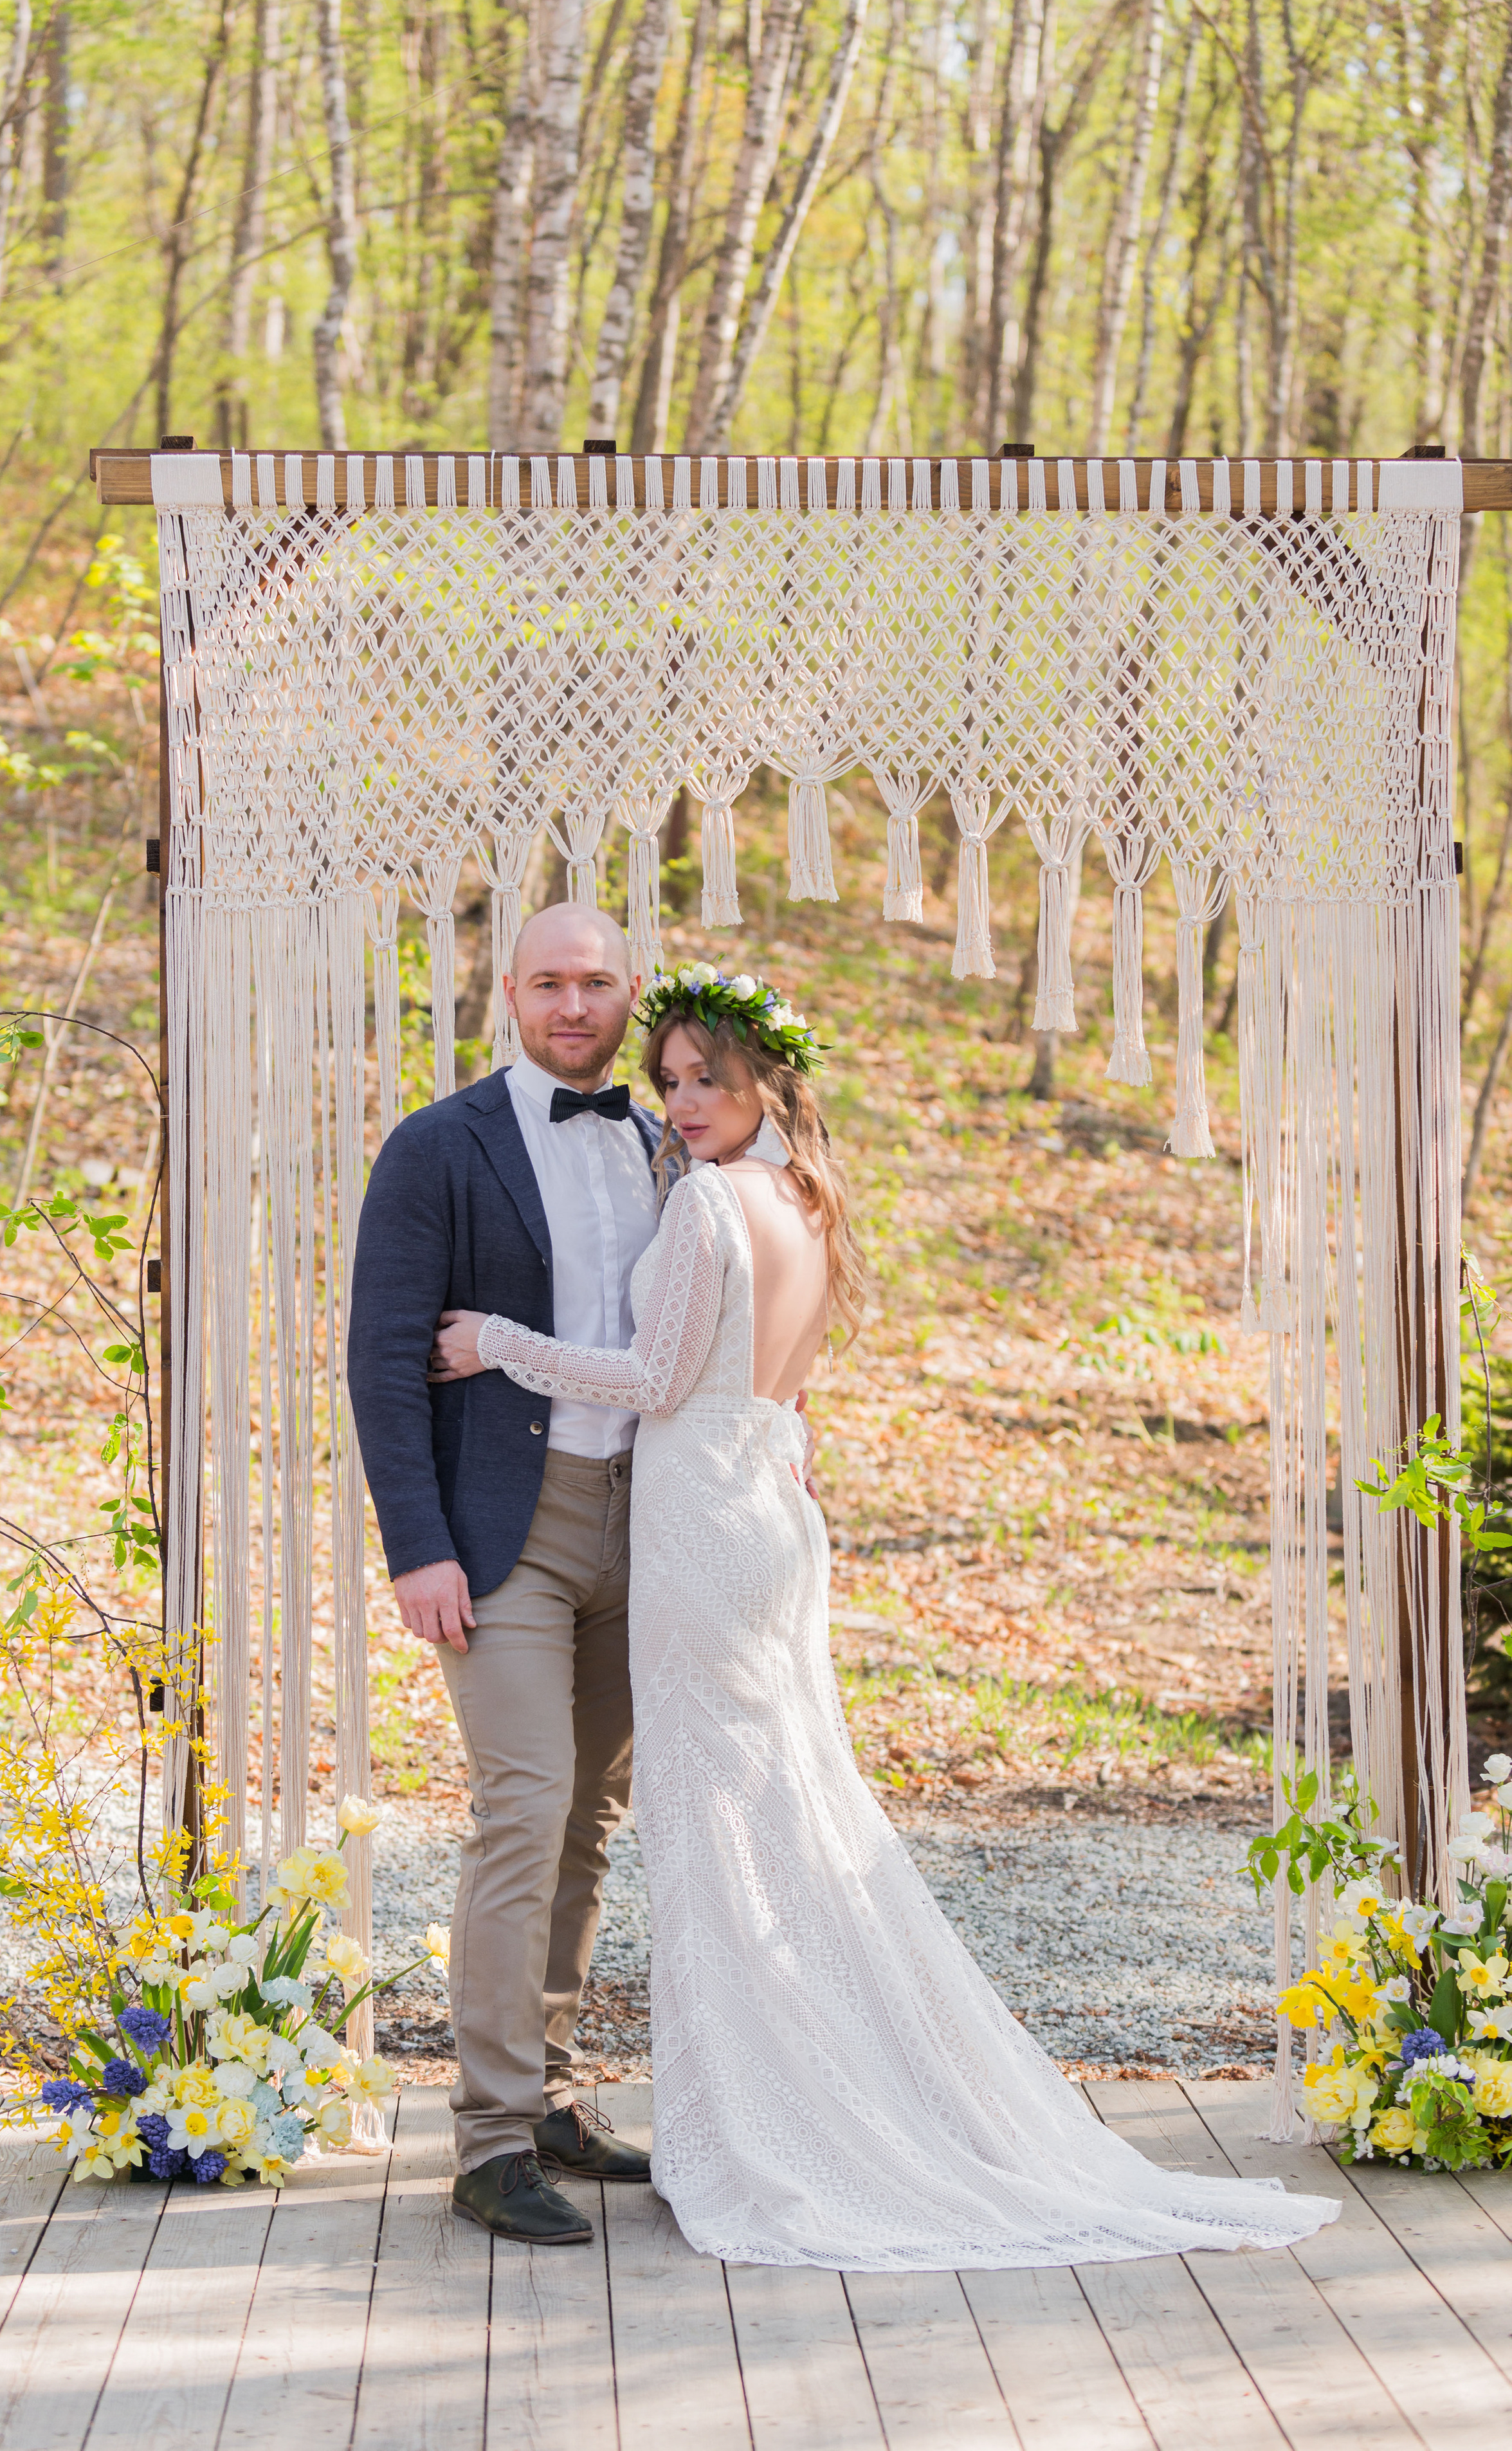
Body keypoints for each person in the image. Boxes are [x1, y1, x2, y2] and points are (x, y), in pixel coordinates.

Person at [429, 961, 1342, 2272]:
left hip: (700, 1526)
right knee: (778, 1810)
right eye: (672, 1078)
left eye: (709, 1081)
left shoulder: (706, 1207)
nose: (681, 1102)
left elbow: (649, 1377)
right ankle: (812, 2085)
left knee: (721, 1835)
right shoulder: (805, 1197)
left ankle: (774, 2119)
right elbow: (768, 1383)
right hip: (765, 1512)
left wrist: (500, 1343)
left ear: (763, 1086)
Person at [347, 902, 661, 2247]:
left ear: (627, 993)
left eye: (596, 982)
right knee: (521, 1811)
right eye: (550, 982)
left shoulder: (668, 1143)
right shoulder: (437, 1146)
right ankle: (482, 2140)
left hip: (643, 1532)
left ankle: (546, 2098)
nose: (574, 1004)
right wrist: (416, 1544)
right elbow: (380, 1356)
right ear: (510, 995)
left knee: (588, 1821)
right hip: (499, 1536)